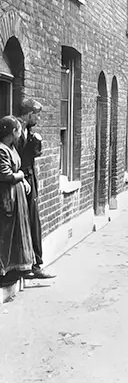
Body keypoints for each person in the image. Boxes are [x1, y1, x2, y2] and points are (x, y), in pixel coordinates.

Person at [17, 98, 55, 279]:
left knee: (33, 220)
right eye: (37, 115)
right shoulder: (15, 130)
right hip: (19, 181)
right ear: (29, 114)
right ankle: (24, 266)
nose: (39, 118)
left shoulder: (28, 132)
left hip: (29, 180)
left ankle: (36, 264)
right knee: (21, 222)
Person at [0, 116, 35, 279]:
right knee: (8, 231)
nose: (20, 134)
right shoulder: (2, 149)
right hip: (7, 196)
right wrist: (21, 176)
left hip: (16, 195)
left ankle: (16, 267)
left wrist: (22, 181)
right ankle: (5, 270)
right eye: (18, 130)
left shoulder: (11, 148)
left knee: (17, 231)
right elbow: (6, 175)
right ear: (13, 131)